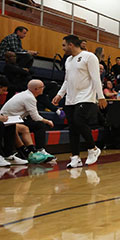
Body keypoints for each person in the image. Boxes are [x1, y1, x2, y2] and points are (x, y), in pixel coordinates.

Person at [51, 35, 105, 168]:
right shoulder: (68, 60)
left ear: (70, 45)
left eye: (64, 45)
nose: (62, 48)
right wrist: (60, 94)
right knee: (73, 128)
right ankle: (75, 157)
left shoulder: (89, 56)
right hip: (71, 98)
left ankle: (93, 149)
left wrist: (101, 96)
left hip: (86, 96)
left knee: (79, 121)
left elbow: (96, 78)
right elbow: (66, 80)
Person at [0, 79, 56, 163]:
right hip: (7, 120)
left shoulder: (26, 95)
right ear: (36, 89)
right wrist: (48, 121)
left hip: (13, 119)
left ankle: (31, 151)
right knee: (40, 125)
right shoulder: (29, 97)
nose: (43, 88)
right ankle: (38, 150)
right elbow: (35, 117)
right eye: (42, 87)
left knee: (25, 128)